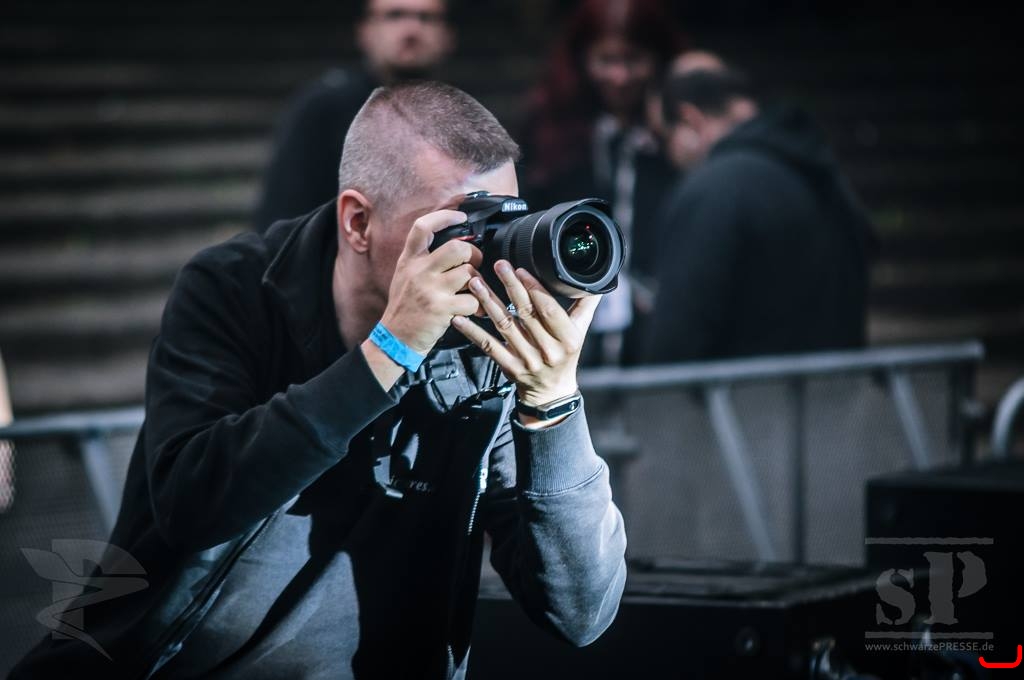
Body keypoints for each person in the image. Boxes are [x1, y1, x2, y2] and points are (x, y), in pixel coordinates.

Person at [11, 82, 627, 679]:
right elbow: (190, 505)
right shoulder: (233, 291)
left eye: (503, 220)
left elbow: (579, 615)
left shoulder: (482, 349)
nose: (486, 254)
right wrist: (389, 351)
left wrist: (553, 406)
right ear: (357, 223)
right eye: (461, 228)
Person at [644, 64, 877, 363]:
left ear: (690, 119)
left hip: (742, 390)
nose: (669, 155)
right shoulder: (824, 176)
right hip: (836, 385)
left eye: (666, 138)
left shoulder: (712, 189)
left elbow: (676, 338)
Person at [518, 0, 684, 366]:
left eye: (634, 60)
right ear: (582, 61)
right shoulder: (552, 131)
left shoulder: (676, 138)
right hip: (571, 324)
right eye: (606, 60)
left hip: (658, 331)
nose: (620, 76)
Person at [254, 0, 455, 232]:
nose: (411, 30)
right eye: (394, 15)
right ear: (365, 32)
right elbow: (283, 211)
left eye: (426, 18)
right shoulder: (325, 106)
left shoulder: (460, 114)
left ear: (448, 36)